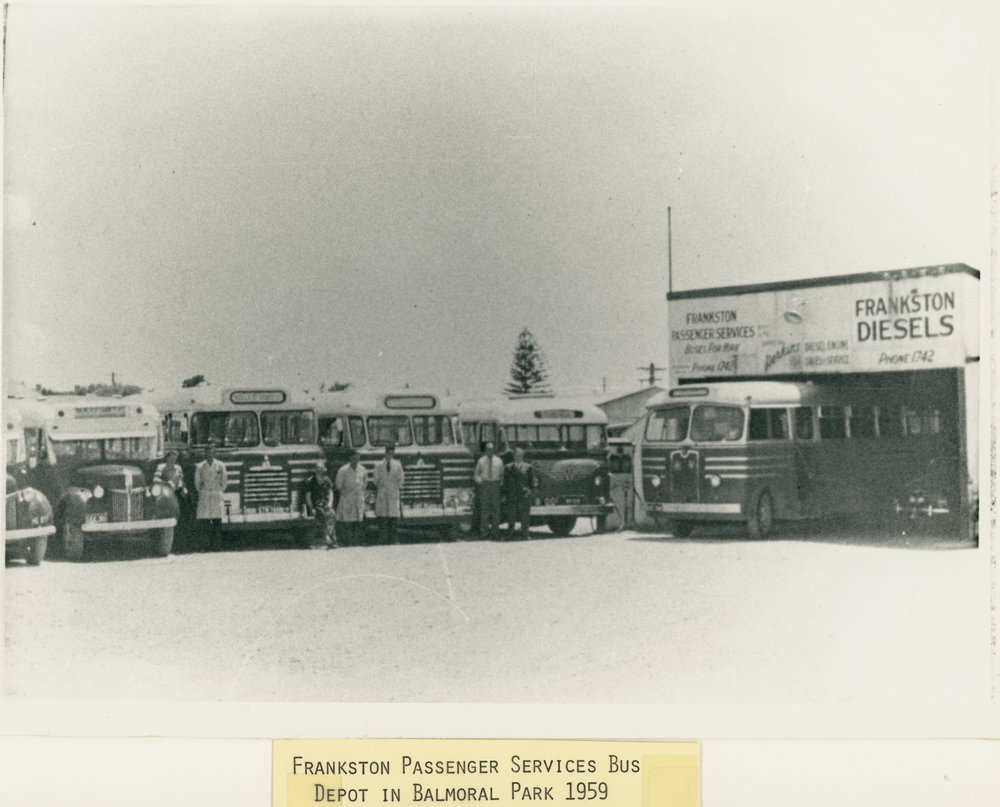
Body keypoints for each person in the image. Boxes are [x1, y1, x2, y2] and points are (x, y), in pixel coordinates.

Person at [194, 443, 228, 551]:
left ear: (214, 453)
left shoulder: (220, 465)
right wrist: (203, 491)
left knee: (217, 522)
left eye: (212, 452)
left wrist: (219, 491)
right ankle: (205, 546)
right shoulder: (200, 466)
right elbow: (197, 482)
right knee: (204, 523)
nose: (210, 454)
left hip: (216, 495)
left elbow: (224, 481)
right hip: (205, 495)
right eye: (208, 452)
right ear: (205, 453)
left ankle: (217, 546)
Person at [373, 443, 405, 545]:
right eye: (388, 453)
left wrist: (395, 487)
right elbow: (375, 480)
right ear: (385, 453)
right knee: (383, 518)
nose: (390, 455)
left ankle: (393, 540)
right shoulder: (378, 465)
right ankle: (382, 540)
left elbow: (401, 479)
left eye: (392, 453)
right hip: (382, 493)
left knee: (393, 518)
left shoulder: (397, 464)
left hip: (393, 493)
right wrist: (383, 487)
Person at [473, 441, 504, 540]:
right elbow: (476, 474)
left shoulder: (499, 461)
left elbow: (502, 475)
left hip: (495, 485)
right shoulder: (481, 461)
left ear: (493, 450)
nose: (489, 451)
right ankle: (484, 533)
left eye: (491, 449)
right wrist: (480, 482)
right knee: (485, 510)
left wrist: (500, 485)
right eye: (488, 449)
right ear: (485, 450)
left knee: (496, 510)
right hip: (485, 485)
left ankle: (495, 533)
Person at [335, 451, 367, 546]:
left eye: (357, 459)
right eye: (353, 459)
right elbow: (338, 484)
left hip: (358, 498)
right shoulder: (343, 470)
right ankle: (347, 541)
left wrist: (360, 491)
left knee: (358, 520)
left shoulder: (362, 469)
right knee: (347, 521)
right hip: (347, 498)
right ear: (350, 459)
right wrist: (345, 492)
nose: (355, 461)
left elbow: (365, 482)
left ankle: (357, 541)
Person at [503, 446, 535, 540]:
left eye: (520, 455)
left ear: (523, 456)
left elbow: (531, 483)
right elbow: (505, 483)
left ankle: (525, 534)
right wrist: (505, 494)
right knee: (511, 516)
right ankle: (510, 535)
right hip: (512, 495)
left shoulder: (528, 467)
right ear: (513, 456)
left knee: (525, 516)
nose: (518, 457)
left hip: (523, 496)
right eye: (516, 455)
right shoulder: (508, 467)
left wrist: (530, 492)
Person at [304, 461, 337, 548]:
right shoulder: (310, 481)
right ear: (314, 469)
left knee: (332, 514)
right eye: (317, 467)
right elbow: (308, 496)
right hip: (316, 505)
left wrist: (330, 504)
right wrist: (311, 508)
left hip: (326, 504)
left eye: (321, 467)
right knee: (323, 514)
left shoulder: (327, 480)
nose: (319, 469)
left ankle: (332, 538)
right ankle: (327, 537)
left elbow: (331, 493)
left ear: (324, 469)